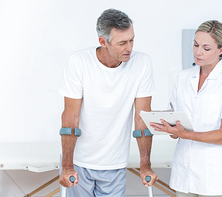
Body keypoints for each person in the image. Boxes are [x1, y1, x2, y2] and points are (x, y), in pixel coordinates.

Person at [58, 8, 158, 197]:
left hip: (115, 163)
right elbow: (71, 116)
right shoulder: (78, 62)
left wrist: (146, 165)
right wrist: (67, 165)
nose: (129, 48)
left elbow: (142, 118)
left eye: (132, 40)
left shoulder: (142, 63)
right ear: (103, 42)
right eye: (122, 43)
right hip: (79, 163)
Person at [151, 20, 222, 197]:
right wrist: (169, 127)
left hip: (213, 177)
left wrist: (185, 134)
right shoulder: (183, 77)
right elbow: (177, 128)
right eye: (195, 45)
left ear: (221, 50)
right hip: (183, 174)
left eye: (206, 48)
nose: (198, 52)